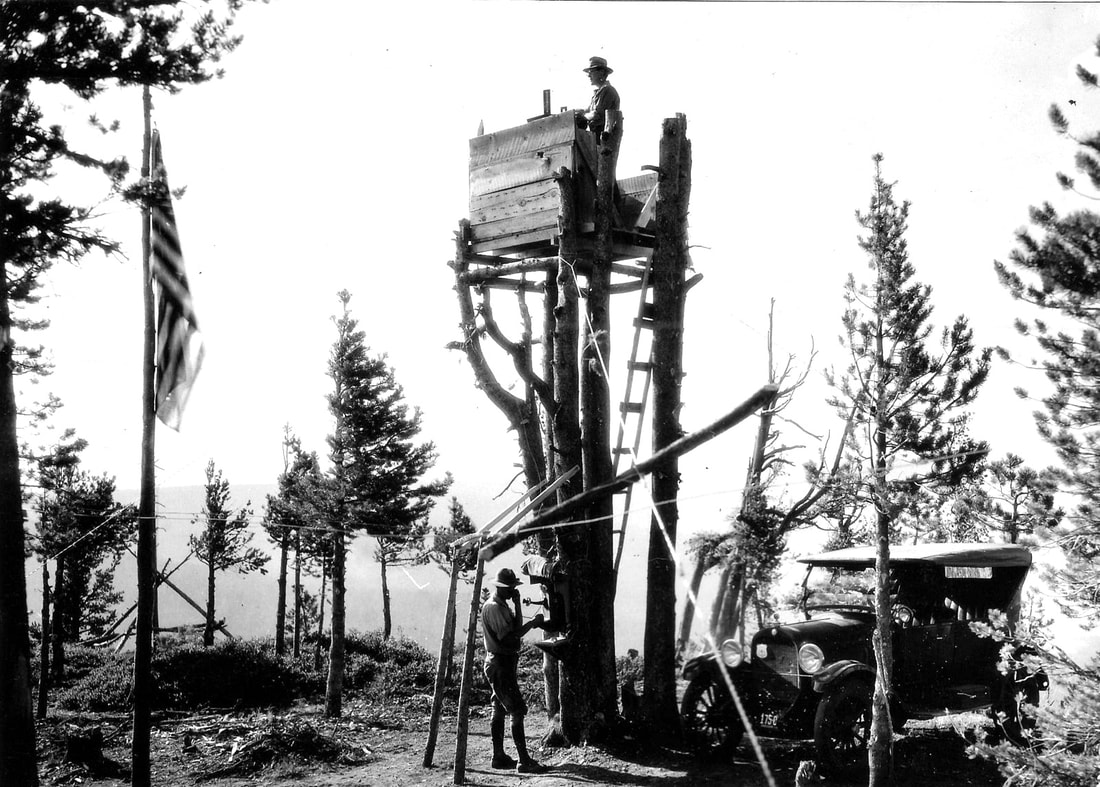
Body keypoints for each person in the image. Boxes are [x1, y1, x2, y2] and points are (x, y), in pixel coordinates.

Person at [480, 567, 546, 773]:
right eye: (511, 589)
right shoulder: (494, 608)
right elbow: (510, 637)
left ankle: (498, 756)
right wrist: (533, 624)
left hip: (502, 661)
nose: (513, 592)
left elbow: (514, 629)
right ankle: (523, 760)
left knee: (499, 707)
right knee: (517, 710)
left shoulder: (502, 604)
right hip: (500, 663)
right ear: (502, 588)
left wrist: (517, 603)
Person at [582, 56, 619, 136]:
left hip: (605, 142)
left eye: (591, 72)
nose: (589, 75)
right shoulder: (598, 94)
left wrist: (583, 117)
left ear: (601, 72)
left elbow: (597, 115)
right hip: (596, 141)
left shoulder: (608, 91)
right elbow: (587, 111)